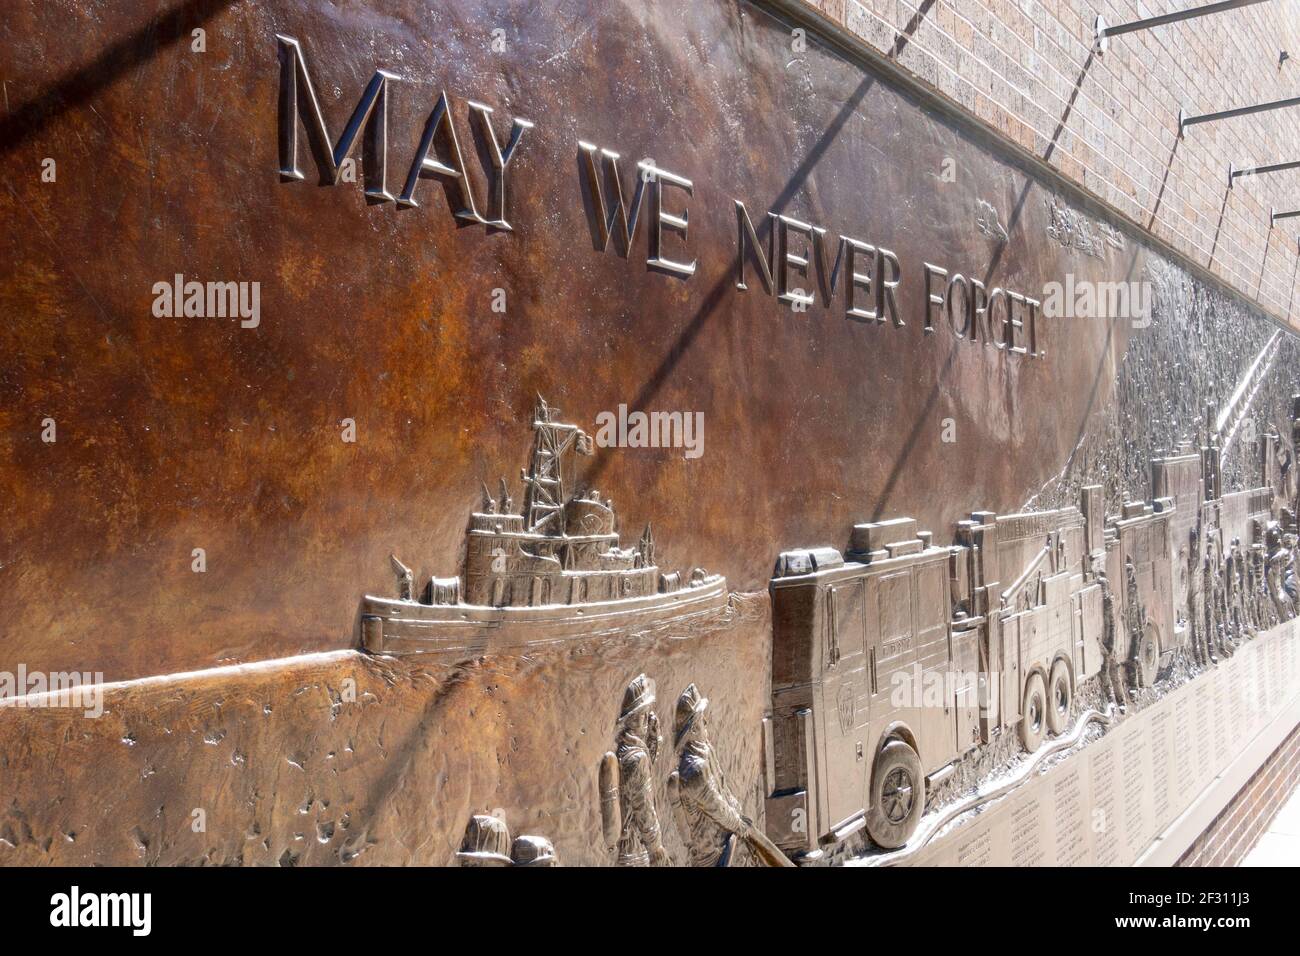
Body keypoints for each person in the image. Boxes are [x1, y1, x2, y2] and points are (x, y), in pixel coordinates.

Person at [668, 683, 793, 867]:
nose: (706, 723)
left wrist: (741, 820)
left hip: (727, 839)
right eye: (701, 720)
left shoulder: (706, 751)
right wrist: (740, 825)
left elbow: (723, 789)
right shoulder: (693, 770)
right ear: (693, 730)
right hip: (712, 852)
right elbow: (716, 806)